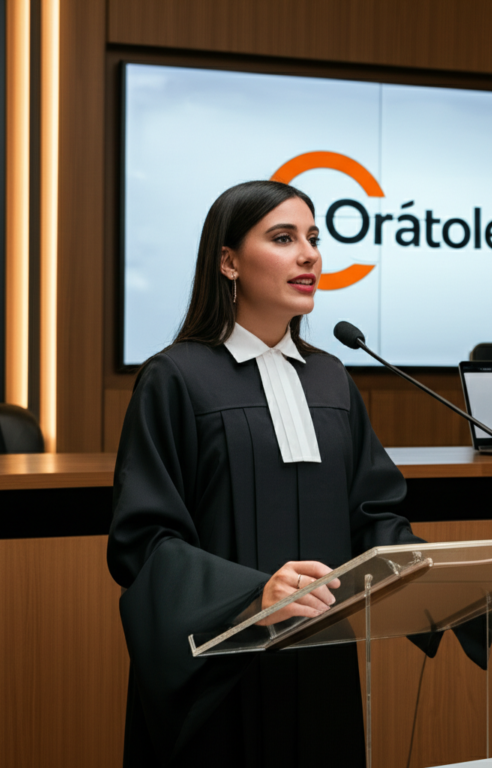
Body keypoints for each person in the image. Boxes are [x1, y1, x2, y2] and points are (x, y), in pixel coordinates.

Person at [107, 180, 442, 768]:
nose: (309, 254)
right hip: (218, 671)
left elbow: (372, 515)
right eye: (283, 238)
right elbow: (146, 541)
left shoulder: (331, 378)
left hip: (320, 657)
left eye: (313, 238)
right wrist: (252, 596)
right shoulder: (176, 378)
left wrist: (440, 582)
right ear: (229, 262)